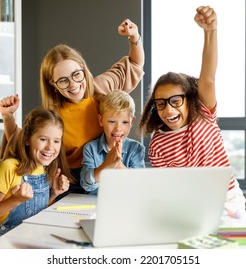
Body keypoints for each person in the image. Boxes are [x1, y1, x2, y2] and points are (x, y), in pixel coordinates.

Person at [1, 18, 144, 193]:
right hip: (72, 182)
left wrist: (134, 37)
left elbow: (134, 65)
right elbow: (22, 143)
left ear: (84, 70)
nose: (73, 84)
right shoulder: (53, 115)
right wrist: (8, 116)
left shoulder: (102, 87)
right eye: (63, 80)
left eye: (77, 74)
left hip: (109, 171)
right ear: (53, 84)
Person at [138, 6, 246, 217]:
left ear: (189, 100)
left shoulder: (204, 114)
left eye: (175, 101)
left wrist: (210, 31)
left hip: (229, 200)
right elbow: (171, 189)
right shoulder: (158, 145)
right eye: (160, 103)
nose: (168, 109)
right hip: (194, 207)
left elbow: (208, 77)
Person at [0, 107, 71, 235]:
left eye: (56, 141)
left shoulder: (45, 170)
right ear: (27, 139)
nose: (50, 147)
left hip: (32, 238)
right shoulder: (9, 167)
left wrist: (53, 194)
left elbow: (37, 212)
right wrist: (14, 200)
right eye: (43, 139)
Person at [80, 90, 145, 195]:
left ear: (131, 122)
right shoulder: (90, 148)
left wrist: (118, 164)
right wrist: (106, 165)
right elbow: (86, 184)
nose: (118, 128)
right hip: (96, 205)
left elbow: (139, 185)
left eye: (125, 122)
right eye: (111, 122)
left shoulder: (136, 149)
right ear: (101, 121)